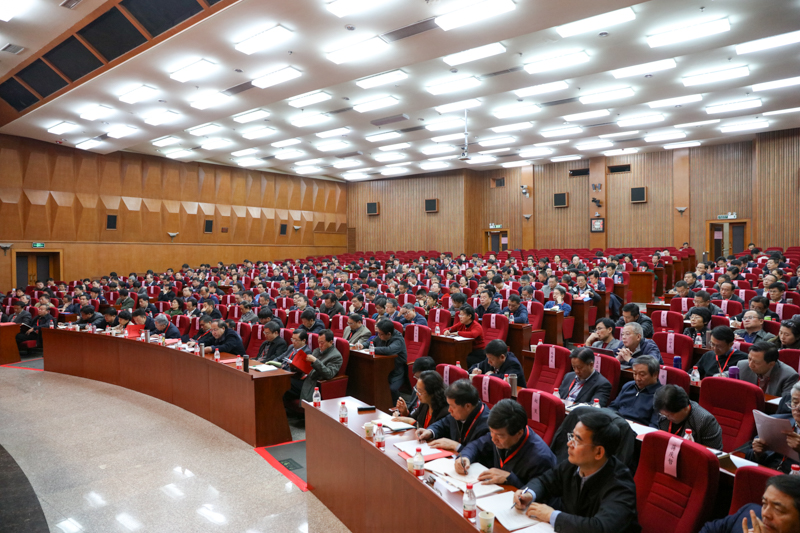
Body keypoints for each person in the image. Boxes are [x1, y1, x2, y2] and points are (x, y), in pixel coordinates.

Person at [513, 410, 640, 533]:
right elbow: (544, 481)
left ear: (599, 452)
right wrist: (528, 493)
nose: (569, 443)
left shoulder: (621, 485)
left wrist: (552, 516)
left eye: (577, 440)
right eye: (571, 436)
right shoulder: (573, 465)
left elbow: (601, 527)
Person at [457, 399, 556, 488]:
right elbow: (477, 445)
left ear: (519, 433)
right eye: (491, 431)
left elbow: (540, 497)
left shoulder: (540, 458)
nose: (493, 439)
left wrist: (510, 479)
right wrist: (465, 457)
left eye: (500, 436)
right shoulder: (498, 432)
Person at [699, 474, 800, 533]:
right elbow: (709, 529)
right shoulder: (748, 513)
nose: (765, 514)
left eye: (778, 509)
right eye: (764, 503)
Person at [416, 379, 490, 452]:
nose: (449, 410)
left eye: (452, 406)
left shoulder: (487, 426)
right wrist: (430, 432)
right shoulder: (460, 413)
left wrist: (456, 446)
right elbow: (443, 423)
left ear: (467, 406)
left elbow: (481, 457)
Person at [282, 329, 342, 417]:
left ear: (331, 342)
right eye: (319, 342)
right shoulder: (317, 351)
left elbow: (329, 374)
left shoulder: (336, 356)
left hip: (313, 384)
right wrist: (296, 366)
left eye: (323, 342)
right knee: (281, 381)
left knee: (283, 385)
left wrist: (315, 361)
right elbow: (307, 368)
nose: (320, 345)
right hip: (304, 378)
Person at [746, 381, 800, 474]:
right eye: (795, 402)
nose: (798, 408)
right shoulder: (776, 421)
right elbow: (749, 457)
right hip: (767, 473)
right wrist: (757, 453)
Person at [654, 384, 723, 449]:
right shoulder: (664, 413)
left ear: (685, 408)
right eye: (664, 415)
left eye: (670, 415)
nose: (667, 418)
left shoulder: (705, 421)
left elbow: (714, 455)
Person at [356, 319, 407, 403]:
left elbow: (389, 350)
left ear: (389, 334)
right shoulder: (381, 335)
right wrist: (363, 345)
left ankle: (396, 406)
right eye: (378, 333)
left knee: (391, 389)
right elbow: (372, 342)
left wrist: (372, 349)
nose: (378, 335)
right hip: (381, 366)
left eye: (380, 334)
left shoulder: (398, 339)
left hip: (396, 369)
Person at [609, 355, 662, 427]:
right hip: (616, 424)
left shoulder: (661, 396)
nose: (637, 378)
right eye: (634, 373)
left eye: (642, 375)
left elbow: (654, 426)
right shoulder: (628, 386)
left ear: (655, 374)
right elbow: (613, 407)